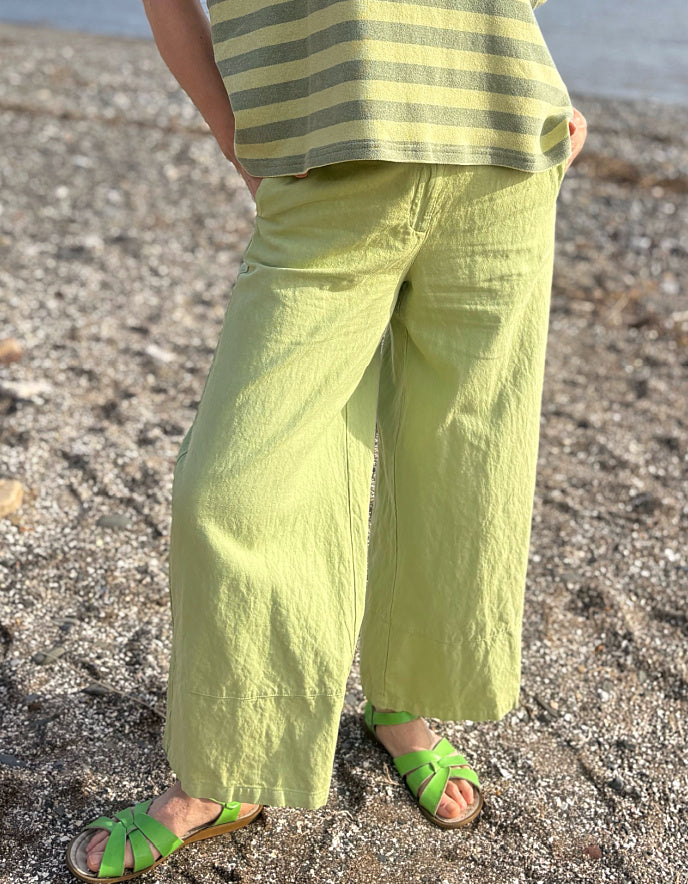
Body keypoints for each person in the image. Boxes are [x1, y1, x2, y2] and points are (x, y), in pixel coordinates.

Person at [66, 0, 587, 879]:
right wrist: (238, 142)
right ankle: (229, 769)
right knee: (230, 492)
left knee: (463, 469)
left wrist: (546, 90)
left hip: (502, 165)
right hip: (323, 177)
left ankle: (404, 704)